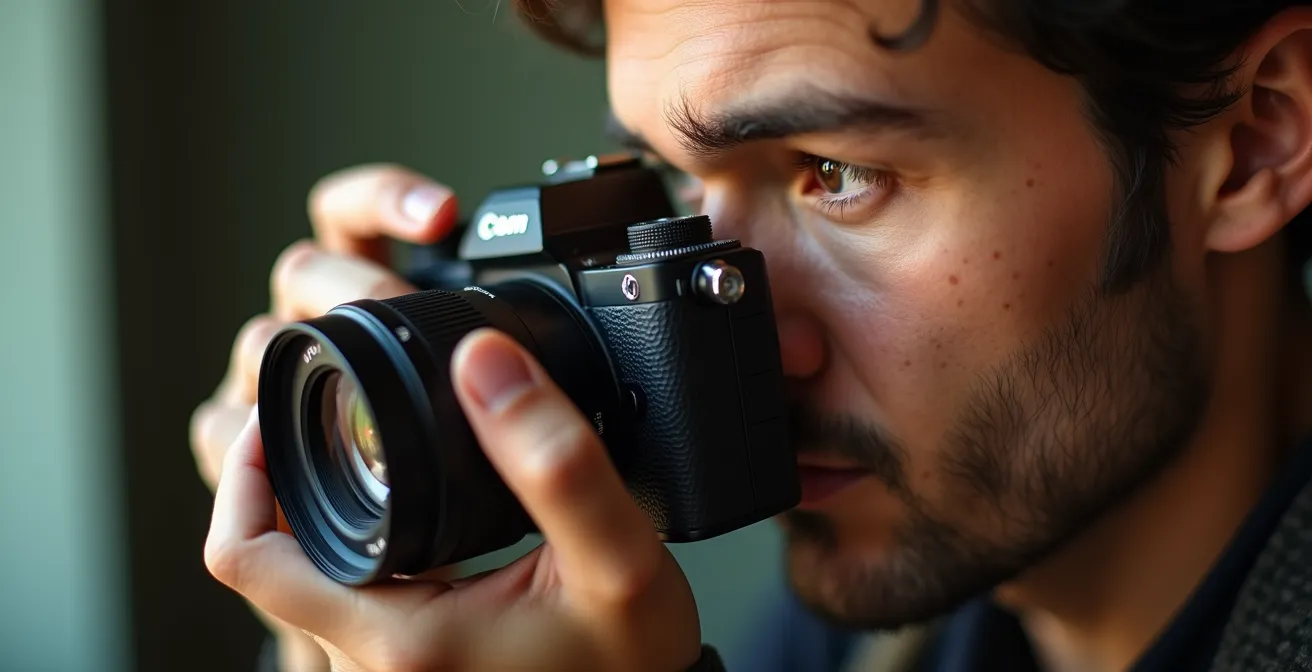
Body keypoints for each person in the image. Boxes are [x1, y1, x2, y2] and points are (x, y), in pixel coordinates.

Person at [188, 0, 1312, 669]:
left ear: (1258, 138)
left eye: (837, 173)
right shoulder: (855, 639)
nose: (734, 344)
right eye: (674, 186)